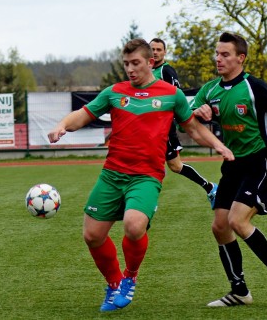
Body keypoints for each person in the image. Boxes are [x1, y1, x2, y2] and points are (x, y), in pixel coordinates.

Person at [48, 39, 234, 312]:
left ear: (150, 62)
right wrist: (62, 125)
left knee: (134, 226)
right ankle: (113, 285)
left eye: (136, 63)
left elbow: (193, 128)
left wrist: (217, 144)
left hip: (146, 176)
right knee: (92, 235)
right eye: (126, 64)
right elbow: (83, 115)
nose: (130, 70)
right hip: (112, 174)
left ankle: (129, 278)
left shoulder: (171, 94)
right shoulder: (115, 92)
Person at [191, 32, 267, 307]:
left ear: (241, 58)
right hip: (233, 164)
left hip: (260, 161)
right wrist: (200, 114)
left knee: (238, 221)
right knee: (219, 226)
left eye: (225, 54)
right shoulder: (210, 90)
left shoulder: (255, 87)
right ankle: (239, 290)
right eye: (217, 53)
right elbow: (188, 120)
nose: (219, 59)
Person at [149, 37, 218, 207]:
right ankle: (147, 199)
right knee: (152, 162)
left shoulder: (166, 71)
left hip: (164, 127)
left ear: (165, 52)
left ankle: (210, 188)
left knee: (175, 166)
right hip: (150, 128)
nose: (155, 52)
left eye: (159, 49)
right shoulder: (146, 72)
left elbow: (176, 97)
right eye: (152, 49)